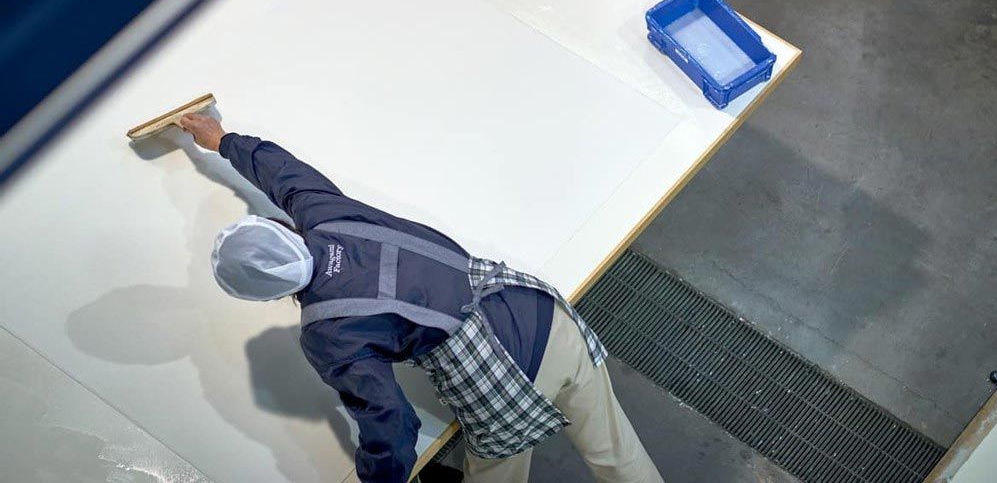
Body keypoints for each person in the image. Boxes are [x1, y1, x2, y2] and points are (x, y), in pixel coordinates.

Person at [180, 112, 664, 483]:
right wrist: (222, 139)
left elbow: (391, 425)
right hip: (536, 308)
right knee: (618, 455)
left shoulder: (327, 332)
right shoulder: (325, 214)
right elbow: (281, 171)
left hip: (505, 381)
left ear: (265, 297)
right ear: (283, 226)